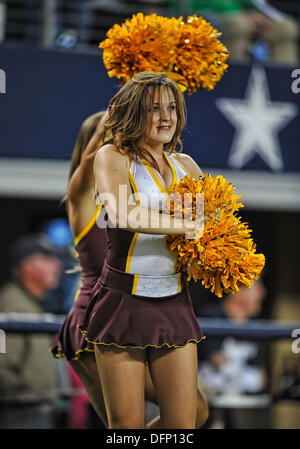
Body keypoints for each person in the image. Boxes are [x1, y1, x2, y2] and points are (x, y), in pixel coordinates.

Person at [51, 106, 209, 429]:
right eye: (116, 136)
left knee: (191, 412)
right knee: (128, 425)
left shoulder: (133, 187)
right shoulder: (81, 194)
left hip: (134, 313)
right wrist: (129, 103)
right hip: (94, 321)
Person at [0, 234, 62, 428]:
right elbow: (1, 357)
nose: (57, 265)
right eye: (47, 259)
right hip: (22, 410)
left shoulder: (27, 302)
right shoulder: (13, 302)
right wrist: (18, 391)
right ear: (27, 266)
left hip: (36, 408)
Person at [197, 279, 269, 428]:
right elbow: (215, 366)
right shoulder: (210, 317)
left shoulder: (254, 325)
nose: (262, 293)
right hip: (209, 413)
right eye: (257, 286)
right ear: (238, 290)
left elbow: (262, 378)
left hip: (243, 412)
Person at [168, 0, 299, 65]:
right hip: (202, 15)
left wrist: (261, 16)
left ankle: (283, 87)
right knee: (239, 25)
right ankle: (233, 84)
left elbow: (252, 3)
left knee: (286, 28)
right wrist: (241, 14)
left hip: (241, 15)